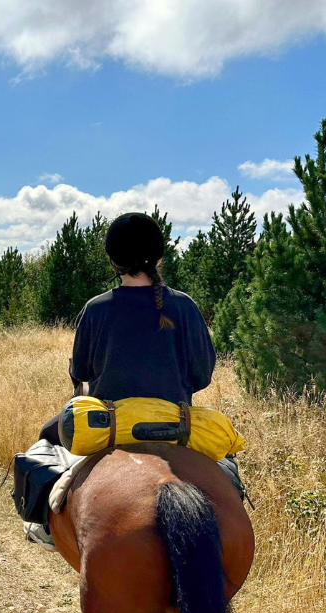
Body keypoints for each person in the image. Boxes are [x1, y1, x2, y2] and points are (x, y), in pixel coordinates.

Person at [24, 212, 216, 549]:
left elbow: (81, 372)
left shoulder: (96, 309)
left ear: (114, 261)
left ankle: (44, 526)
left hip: (108, 426)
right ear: (160, 256)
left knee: (45, 441)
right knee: (227, 471)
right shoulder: (184, 307)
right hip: (177, 426)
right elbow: (201, 376)